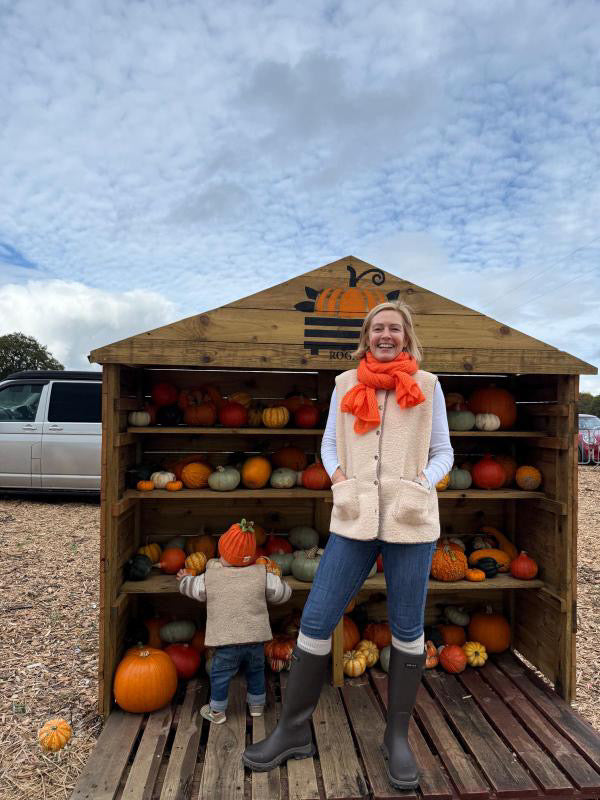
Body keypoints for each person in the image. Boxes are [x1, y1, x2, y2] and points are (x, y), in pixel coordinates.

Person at [243, 301, 453, 789]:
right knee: (316, 619)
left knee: (405, 628)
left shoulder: (427, 386)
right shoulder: (345, 385)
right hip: (354, 517)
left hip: (410, 518)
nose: (385, 334)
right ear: (367, 335)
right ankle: (294, 731)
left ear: (406, 337)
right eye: (377, 327)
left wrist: (423, 482)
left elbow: (444, 451)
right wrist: (340, 479)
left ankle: (396, 737)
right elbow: (329, 445)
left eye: (394, 329)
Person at [177, 518, 291, 724]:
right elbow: (281, 594)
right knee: (256, 672)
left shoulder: (211, 576)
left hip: (227, 642)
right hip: (255, 640)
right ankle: (256, 705)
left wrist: (185, 579)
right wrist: (283, 585)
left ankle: (217, 711)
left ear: (223, 552)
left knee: (220, 675)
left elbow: (194, 589)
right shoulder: (261, 574)